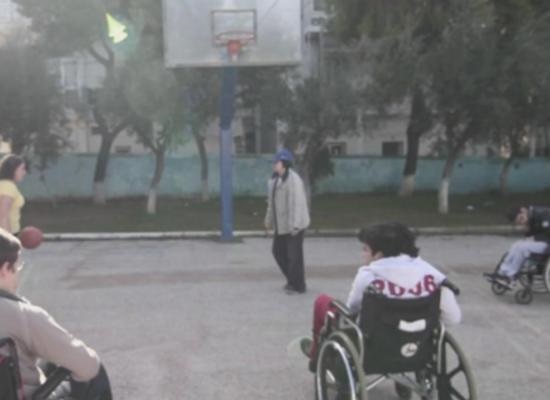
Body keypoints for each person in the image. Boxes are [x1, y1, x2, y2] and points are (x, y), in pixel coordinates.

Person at [301, 222, 461, 369]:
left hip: (375, 345)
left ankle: (316, 354)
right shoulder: (433, 276)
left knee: (322, 302)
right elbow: (453, 318)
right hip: (417, 345)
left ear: (378, 254)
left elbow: (351, 310)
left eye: (365, 249)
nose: (362, 254)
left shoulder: (369, 275)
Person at [0, 229, 112, 399]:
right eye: (17, 267)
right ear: (4, 269)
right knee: (94, 371)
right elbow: (88, 366)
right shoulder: (22, 315)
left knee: (50, 362)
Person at [264, 148, 310, 295]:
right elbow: (271, 203)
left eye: (276, 162)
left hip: (295, 224)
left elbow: (297, 204)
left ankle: (298, 285)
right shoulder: (274, 180)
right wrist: (268, 221)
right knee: (277, 251)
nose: (274, 164)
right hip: (281, 225)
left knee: (294, 256)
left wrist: (295, 225)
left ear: (284, 163)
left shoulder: (293, 180)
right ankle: (293, 280)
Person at [488, 205, 550, 286]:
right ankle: (502, 273)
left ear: (523, 210)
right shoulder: (533, 216)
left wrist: (531, 231)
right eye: (520, 222)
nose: (522, 222)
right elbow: (539, 231)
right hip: (544, 242)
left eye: (521, 218)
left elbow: (544, 230)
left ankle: (510, 277)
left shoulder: (544, 213)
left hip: (547, 244)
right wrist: (528, 230)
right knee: (516, 245)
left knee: (521, 247)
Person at [0, 155, 27, 235]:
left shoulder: (4, 185)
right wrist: (8, 239)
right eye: (22, 169)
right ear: (13, 170)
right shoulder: (8, 187)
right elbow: (2, 216)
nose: (24, 173)